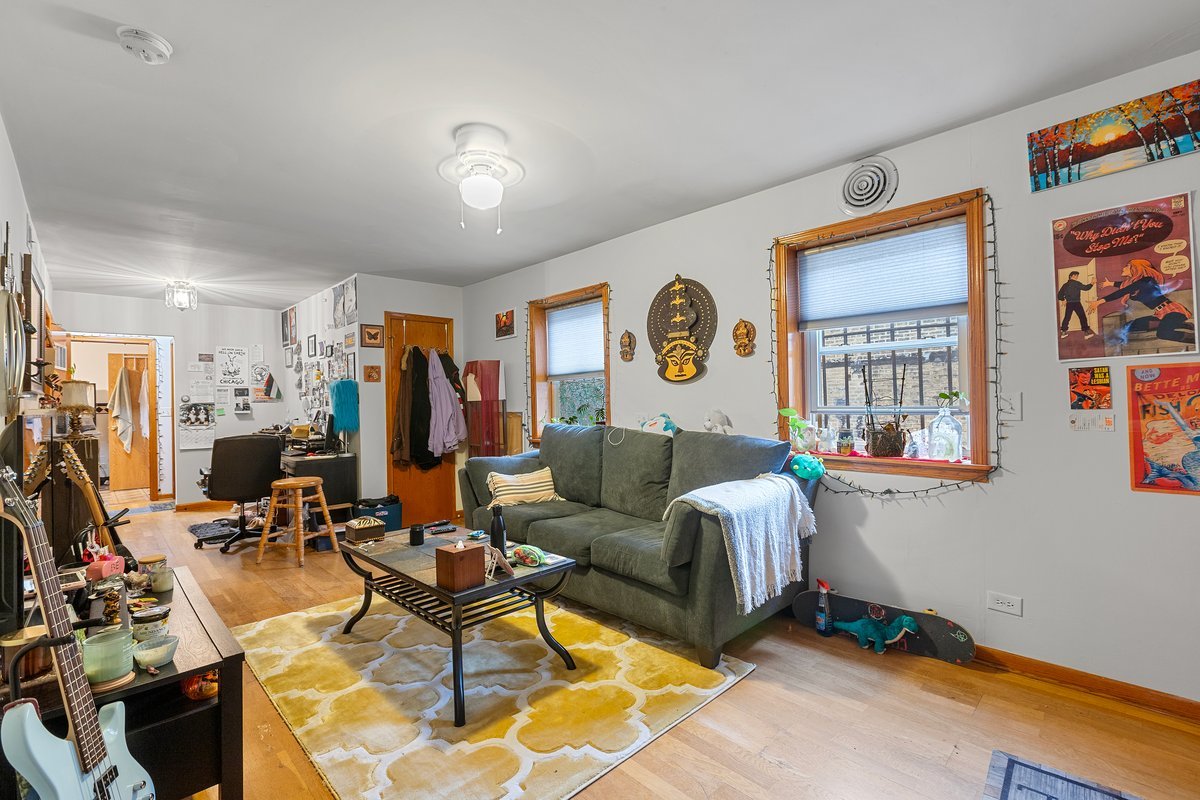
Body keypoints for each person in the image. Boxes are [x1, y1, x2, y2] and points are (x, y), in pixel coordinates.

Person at [1087, 258, 1195, 345]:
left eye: (1127, 266)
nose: (1123, 268)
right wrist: (1110, 283)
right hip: (1160, 314)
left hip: (1173, 311)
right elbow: (1126, 286)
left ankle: (1195, 339)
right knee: (1129, 326)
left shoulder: (1147, 280)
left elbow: (1124, 290)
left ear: (1135, 268)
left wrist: (1098, 302)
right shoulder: (1137, 284)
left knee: (1163, 333)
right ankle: (1183, 325)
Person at [1056, 270, 1095, 339]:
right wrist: (1092, 283)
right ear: (1072, 276)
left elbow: (1059, 295)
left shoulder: (1065, 285)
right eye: (1076, 276)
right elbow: (1086, 288)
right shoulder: (1076, 283)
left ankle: (1063, 332)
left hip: (1069, 303)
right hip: (1076, 303)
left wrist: (1063, 299)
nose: (1077, 277)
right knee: (1082, 317)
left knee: (1067, 317)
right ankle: (1086, 333)